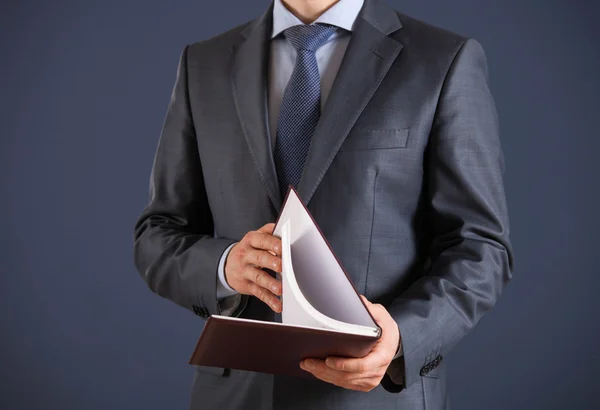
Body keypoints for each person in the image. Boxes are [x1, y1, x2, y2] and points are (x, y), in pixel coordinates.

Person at [133, 0, 513, 408]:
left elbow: (481, 247)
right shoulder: (203, 63)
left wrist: (402, 335)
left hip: (373, 397)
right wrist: (225, 265)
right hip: (236, 396)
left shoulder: (443, 59)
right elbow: (157, 234)